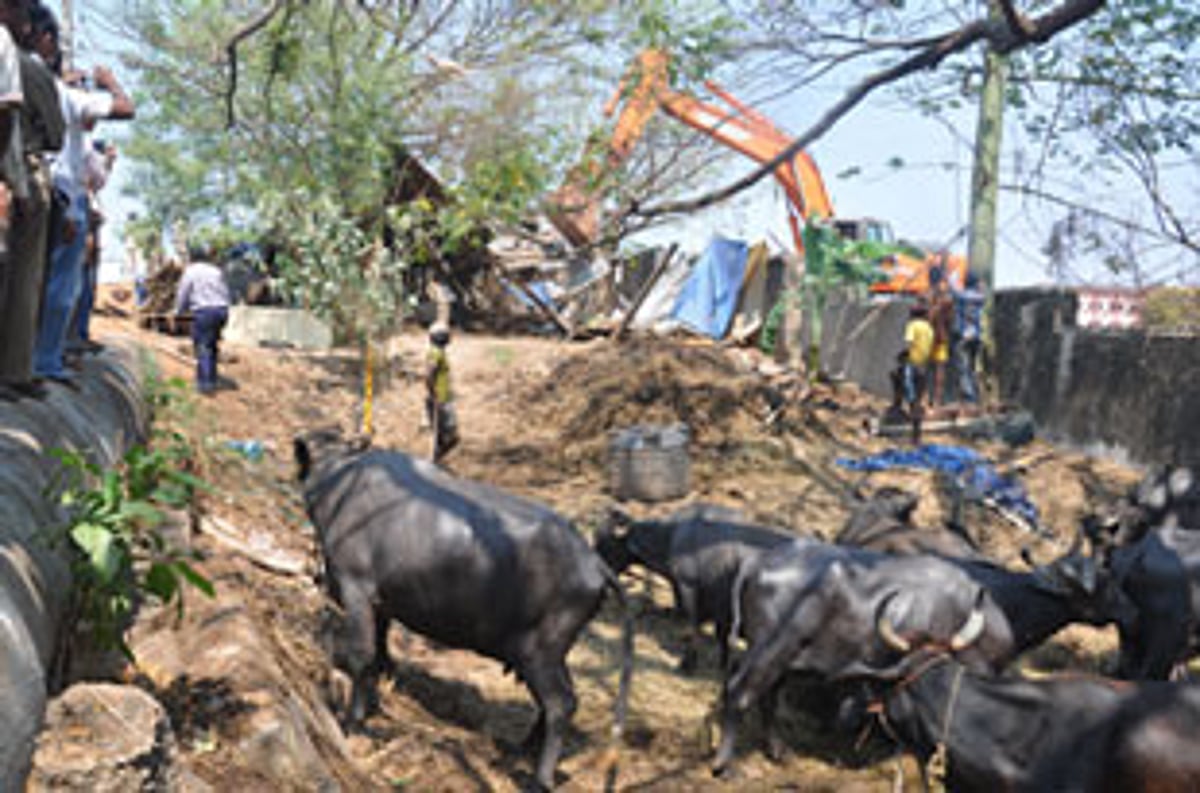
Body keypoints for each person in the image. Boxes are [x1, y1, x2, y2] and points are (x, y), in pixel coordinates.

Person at [32, 38, 133, 385]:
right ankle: (45, 359)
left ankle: (38, 354)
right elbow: (124, 108)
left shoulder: (29, 86)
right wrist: (109, 83)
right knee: (62, 285)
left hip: (38, 188)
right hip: (64, 194)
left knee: (35, 279)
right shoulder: (66, 97)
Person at [0, 0, 62, 399]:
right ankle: (15, 369)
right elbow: (55, 134)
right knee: (22, 276)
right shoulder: (25, 64)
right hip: (19, 166)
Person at [174, 243, 230, 395]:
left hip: (204, 312)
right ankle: (212, 378)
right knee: (212, 345)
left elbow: (183, 292)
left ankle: (205, 385)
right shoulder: (215, 270)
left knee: (203, 346)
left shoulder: (191, 271)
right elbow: (225, 291)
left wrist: (179, 311)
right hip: (222, 311)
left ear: (192, 256)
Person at [890, 301, 933, 445]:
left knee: (904, 388)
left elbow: (908, 343)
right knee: (917, 398)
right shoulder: (928, 328)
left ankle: (899, 412)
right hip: (923, 365)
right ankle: (916, 434)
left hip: (912, 363)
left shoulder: (913, 326)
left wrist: (902, 355)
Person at [425, 321, 459, 463]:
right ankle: (435, 458)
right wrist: (433, 392)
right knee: (448, 432)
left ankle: (436, 457)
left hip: (443, 394)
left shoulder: (438, 352)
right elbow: (429, 373)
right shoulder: (436, 353)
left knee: (444, 431)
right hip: (441, 396)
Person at [953, 270, 985, 405]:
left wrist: (952, 275)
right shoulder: (980, 298)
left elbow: (952, 287)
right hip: (976, 336)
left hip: (963, 337)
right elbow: (983, 290)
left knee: (963, 369)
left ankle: (969, 397)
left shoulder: (961, 296)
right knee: (972, 368)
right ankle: (977, 396)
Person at [926, 263, 954, 407]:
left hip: (926, 338)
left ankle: (928, 398)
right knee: (939, 369)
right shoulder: (946, 298)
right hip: (941, 337)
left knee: (927, 369)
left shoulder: (925, 296)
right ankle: (936, 399)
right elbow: (950, 319)